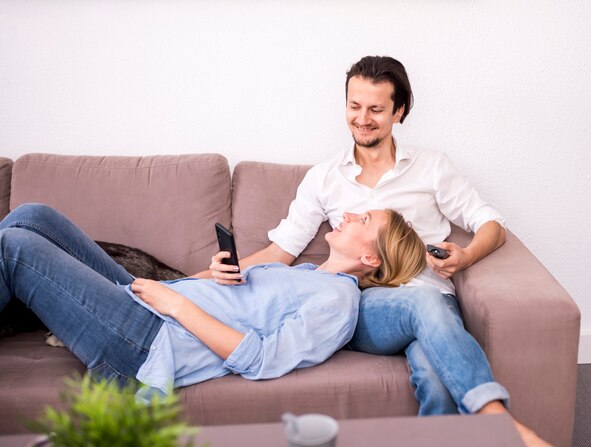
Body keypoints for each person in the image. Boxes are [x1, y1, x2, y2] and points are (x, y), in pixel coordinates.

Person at [205, 56, 549, 446]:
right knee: (421, 305)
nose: (362, 119)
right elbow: (280, 252)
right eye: (354, 106)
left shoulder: (431, 167)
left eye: (376, 109)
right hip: (364, 306)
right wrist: (206, 274)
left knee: (437, 381)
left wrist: (466, 257)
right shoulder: (323, 177)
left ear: (399, 111)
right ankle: (500, 424)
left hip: (433, 296)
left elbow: (491, 225)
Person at [0, 203, 424, 400]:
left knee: (16, 246)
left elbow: (261, 359)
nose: (350, 214)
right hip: (143, 300)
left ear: (370, 258)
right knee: (31, 217)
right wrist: (211, 277)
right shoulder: (305, 274)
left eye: (364, 220)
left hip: (147, 342)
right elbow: (230, 302)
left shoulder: (337, 304)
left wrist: (177, 304)